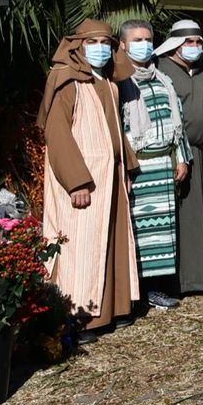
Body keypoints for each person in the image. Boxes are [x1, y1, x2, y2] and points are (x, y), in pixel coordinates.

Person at [39, 20, 139, 336]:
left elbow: (115, 130)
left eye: (106, 43)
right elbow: (56, 134)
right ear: (79, 46)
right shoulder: (66, 81)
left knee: (111, 241)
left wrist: (128, 167)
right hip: (83, 181)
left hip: (111, 178)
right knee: (81, 245)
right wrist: (76, 181)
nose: (100, 49)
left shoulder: (107, 83)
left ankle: (114, 308)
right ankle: (81, 315)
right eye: (92, 42)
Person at [116, 19, 190, 311]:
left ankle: (159, 288)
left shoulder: (163, 79)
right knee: (142, 232)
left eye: (147, 39)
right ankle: (142, 290)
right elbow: (119, 128)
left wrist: (181, 156)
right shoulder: (119, 83)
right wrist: (126, 169)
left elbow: (177, 120)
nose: (144, 45)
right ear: (122, 45)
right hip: (139, 167)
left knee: (163, 232)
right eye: (136, 40)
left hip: (164, 164)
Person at [155, 20, 203, 296]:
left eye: (198, 42)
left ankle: (197, 279)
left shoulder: (202, 72)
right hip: (174, 155)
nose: (195, 47)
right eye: (189, 42)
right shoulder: (162, 71)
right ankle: (175, 282)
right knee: (177, 218)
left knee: (196, 218)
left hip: (200, 153)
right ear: (175, 44)